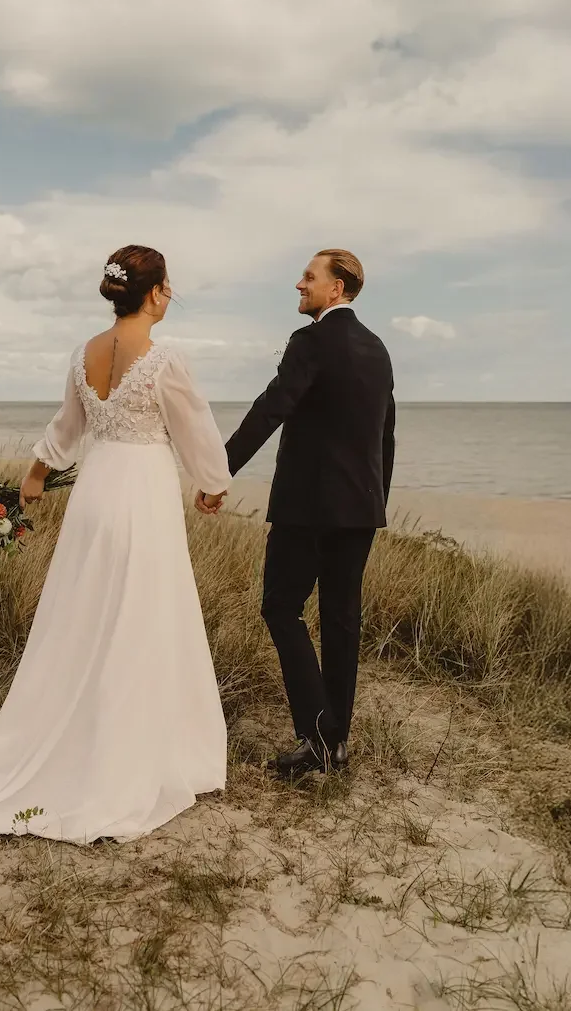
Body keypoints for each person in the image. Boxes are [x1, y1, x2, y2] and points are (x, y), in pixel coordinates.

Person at [0, 245, 231, 843]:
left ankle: (80, 729)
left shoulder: (85, 353)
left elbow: (67, 427)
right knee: (142, 613)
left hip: (96, 493)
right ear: (157, 292)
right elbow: (195, 425)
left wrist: (36, 473)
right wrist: (212, 484)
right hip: (142, 495)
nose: (169, 295)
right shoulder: (166, 358)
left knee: (84, 614)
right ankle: (131, 750)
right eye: (168, 287)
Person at [196, 249, 395, 778]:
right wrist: (377, 499)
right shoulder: (377, 348)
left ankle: (318, 734)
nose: (299, 284)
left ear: (337, 289)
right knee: (341, 620)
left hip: (307, 508)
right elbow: (385, 435)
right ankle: (338, 741)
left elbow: (272, 406)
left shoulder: (310, 341)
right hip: (360, 509)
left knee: (281, 608)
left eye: (309, 277)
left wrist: (220, 473)